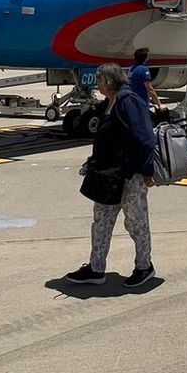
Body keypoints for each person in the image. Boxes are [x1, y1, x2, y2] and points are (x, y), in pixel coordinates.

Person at [64, 63, 158, 288]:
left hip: (130, 175)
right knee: (101, 222)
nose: (97, 84)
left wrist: (147, 171)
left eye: (99, 80)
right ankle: (96, 269)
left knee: (135, 221)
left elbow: (145, 138)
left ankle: (145, 266)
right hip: (107, 175)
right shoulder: (109, 103)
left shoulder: (129, 102)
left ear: (108, 82)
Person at [128, 47, 163, 113]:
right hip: (141, 103)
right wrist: (159, 104)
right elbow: (150, 89)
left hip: (132, 101)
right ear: (146, 58)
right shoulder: (143, 69)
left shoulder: (131, 68)